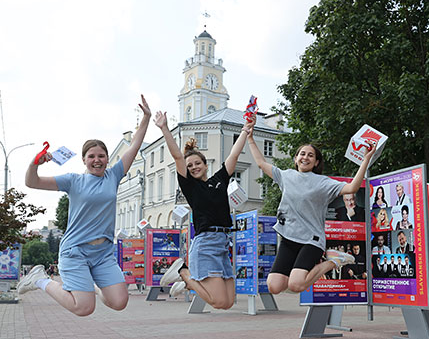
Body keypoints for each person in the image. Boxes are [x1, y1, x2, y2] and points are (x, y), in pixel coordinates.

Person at [18, 95, 151, 317]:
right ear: (84, 160)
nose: (97, 160)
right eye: (91, 156)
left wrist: (146, 118)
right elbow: (32, 182)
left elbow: (135, 145)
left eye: (101, 156)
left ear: (108, 159)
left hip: (103, 254)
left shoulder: (114, 175)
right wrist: (34, 164)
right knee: (84, 308)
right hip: (76, 250)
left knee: (119, 301)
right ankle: (40, 279)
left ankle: (92, 285)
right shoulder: (73, 181)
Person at [246, 116, 377, 294]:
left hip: (311, 240)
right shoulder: (286, 176)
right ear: (295, 158)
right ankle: (325, 262)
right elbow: (261, 163)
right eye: (302, 154)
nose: (305, 157)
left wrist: (366, 160)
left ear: (316, 162)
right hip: (289, 238)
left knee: (296, 285)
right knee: (274, 286)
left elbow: (352, 187)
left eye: (310, 155)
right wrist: (250, 138)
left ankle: (332, 261)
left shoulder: (323, 182)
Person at [154, 110, 254, 310]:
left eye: (197, 163)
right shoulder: (190, 186)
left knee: (226, 303)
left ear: (205, 165)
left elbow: (234, 155)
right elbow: (177, 157)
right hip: (206, 244)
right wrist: (164, 128)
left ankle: (186, 280)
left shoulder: (219, 180)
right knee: (217, 302)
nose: (193, 167)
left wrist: (245, 130)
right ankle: (183, 273)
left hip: (224, 245)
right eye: (190, 165)